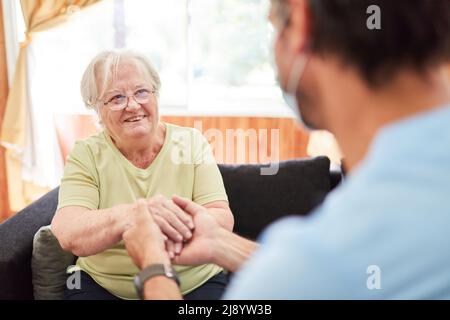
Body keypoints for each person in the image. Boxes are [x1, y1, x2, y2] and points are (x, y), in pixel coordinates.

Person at [122, 0, 450, 299]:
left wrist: (154, 268)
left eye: (274, 26)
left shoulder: (310, 266)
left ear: (301, 20)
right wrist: (220, 242)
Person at [51, 50, 234, 300]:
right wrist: (134, 216)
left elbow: (222, 218)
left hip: (193, 281)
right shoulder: (86, 154)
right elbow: (68, 232)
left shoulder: (191, 142)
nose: (133, 105)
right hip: (105, 285)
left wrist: (158, 223)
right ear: (97, 109)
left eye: (141, 92)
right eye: (116, 98)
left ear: (155, 94)